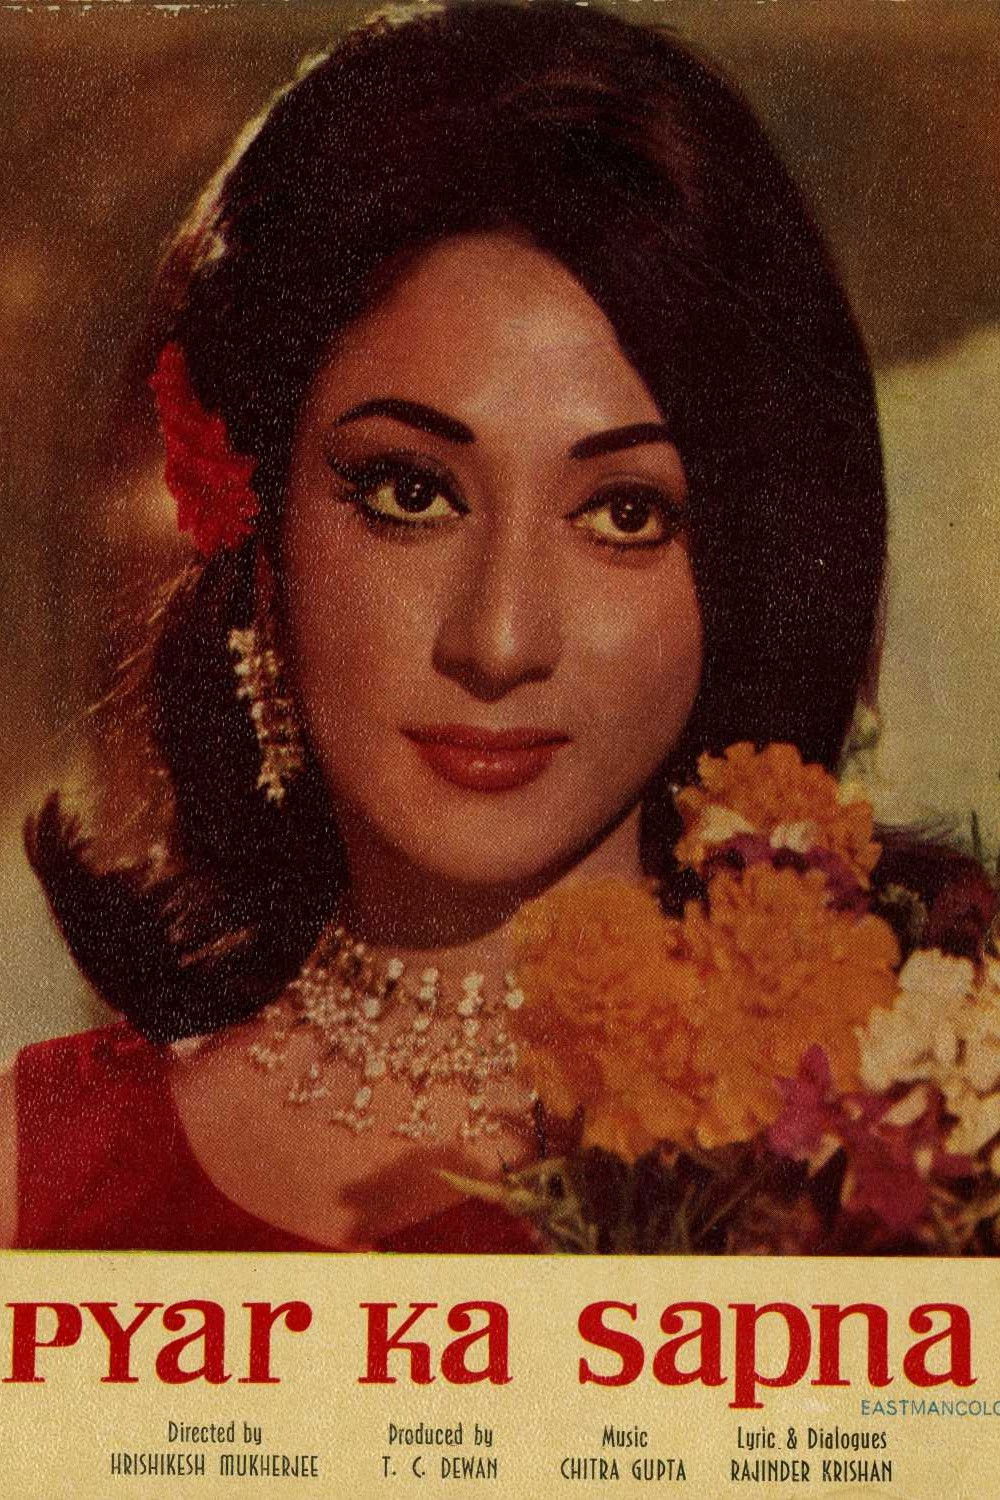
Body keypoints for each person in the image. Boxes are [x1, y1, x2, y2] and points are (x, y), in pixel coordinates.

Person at [0, 1, 917, 1251]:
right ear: (253, 522)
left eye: (625, 513)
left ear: (751, 563)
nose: (497, 641)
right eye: (410, 493)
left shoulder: (903, 1137)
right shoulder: (35, 1177)